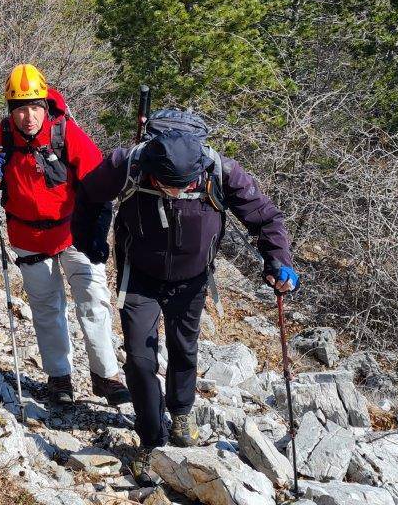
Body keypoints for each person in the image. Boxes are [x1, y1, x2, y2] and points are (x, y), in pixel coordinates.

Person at [75, 110, 300, 484]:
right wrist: (90, 240)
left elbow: (265, 218)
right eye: (166, 186)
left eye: (181, 187)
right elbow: (87, 194)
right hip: (139, 276)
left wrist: (279, 261)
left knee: (184, 348)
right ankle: (151, 440)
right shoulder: (127, 163)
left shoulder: (221, 171)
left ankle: (181, 414)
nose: (174, 192)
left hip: (192, 279)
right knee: (140, 358)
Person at [0, 63, 128, 406]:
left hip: (74, 231)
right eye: (20, 107)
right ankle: (59, 378)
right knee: (47, 307)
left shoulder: (65, 133)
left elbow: (99, 184)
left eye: (35, 106)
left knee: (94, 299)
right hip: (29, 237)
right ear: (10, 110)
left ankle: (106, 376)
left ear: (45, 103)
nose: (28, 115)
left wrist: (97, 234)